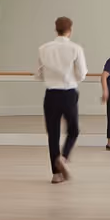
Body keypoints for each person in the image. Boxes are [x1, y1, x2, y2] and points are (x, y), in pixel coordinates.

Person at [37, 16, 87, 183]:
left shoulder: (43, 48)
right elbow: (82, 74)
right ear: (70, 30)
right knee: (73, 130)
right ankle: (63, 158)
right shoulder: (75, 48)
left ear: (55, 29)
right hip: (68, 93)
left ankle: (56, 174)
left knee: (53, 134)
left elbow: (39, 74)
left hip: (51, 94)